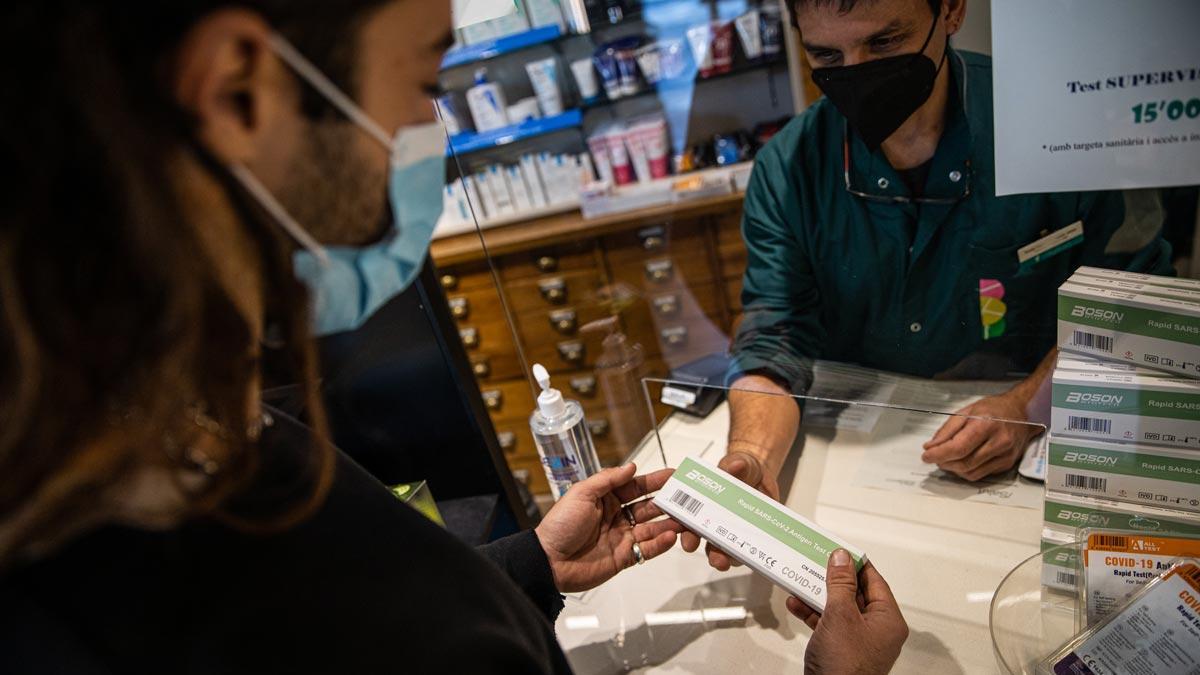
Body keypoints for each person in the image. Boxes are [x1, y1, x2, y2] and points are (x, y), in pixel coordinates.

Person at [0, 0, 907, 672]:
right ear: (239, 92)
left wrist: (527, 565)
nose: (431, 129)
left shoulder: (182, 423)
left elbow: (359, 608)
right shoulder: (157, 574)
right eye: (426, 82)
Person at [688, 0, 1174, 572]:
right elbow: (774, 335)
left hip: (1032, 450)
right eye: (826, 54)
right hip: (857, 469)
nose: (857, 70)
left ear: (951, 11)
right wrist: (751, 455)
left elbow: (1129, 293)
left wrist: (1027, 405)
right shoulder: (788, 169)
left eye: (885, 43)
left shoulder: (1060, 125)